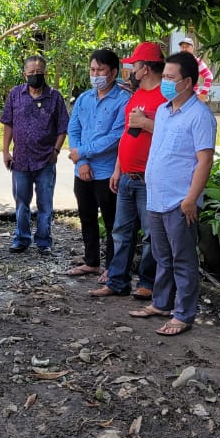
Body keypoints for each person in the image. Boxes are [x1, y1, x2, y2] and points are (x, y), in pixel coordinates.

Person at [129, 51, 216, 335]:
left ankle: (184, 314)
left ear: (188, 82)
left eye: (170, 77)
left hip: (180, 201)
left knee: (183, 259)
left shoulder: (200, 115)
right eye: (164, 76)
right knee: (161, 255)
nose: (164, 82)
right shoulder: (165, 111)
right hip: (156, 197)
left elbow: (204, 160)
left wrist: (191, 198)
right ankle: (161, 303)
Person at [90, 42, 166, 300]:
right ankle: (117, 281)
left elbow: (172, 135)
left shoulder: (164, 98)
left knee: (150, 235)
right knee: (121, 232)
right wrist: (117, 169)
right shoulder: (136, 95)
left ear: (145, 68)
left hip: (148, 178)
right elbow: (127, 133)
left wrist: (146, 123)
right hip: (126, 176)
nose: (131, 69)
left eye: (135, 64)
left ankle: (147, 282)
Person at [66, 48, 129, 277]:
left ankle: (113, 268)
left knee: (113, 223)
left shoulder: (123, 100)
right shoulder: (84, 98)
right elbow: (73, 128)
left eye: (100, 70)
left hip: (107, 173)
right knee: (87, 217)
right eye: (92, 70)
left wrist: (81, 151)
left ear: (113, 72)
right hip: (82, 170)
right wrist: (81, 160)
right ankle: (91, 261)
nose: (95, 74)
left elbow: (115, 137)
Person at [1, 55, 69, 255]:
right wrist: (5, 151)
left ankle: (43, 240)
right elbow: (8, 123)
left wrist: (56, 151)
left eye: (38, 73)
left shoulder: (55, 97)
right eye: (31, 73)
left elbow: (62, 127)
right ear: (24, 74)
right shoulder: (15, 94)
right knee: (21, 202)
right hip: (21, 159)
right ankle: (21, 238)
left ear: (45, 73)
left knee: (45, 204)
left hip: (46, 159)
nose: (35, 76)